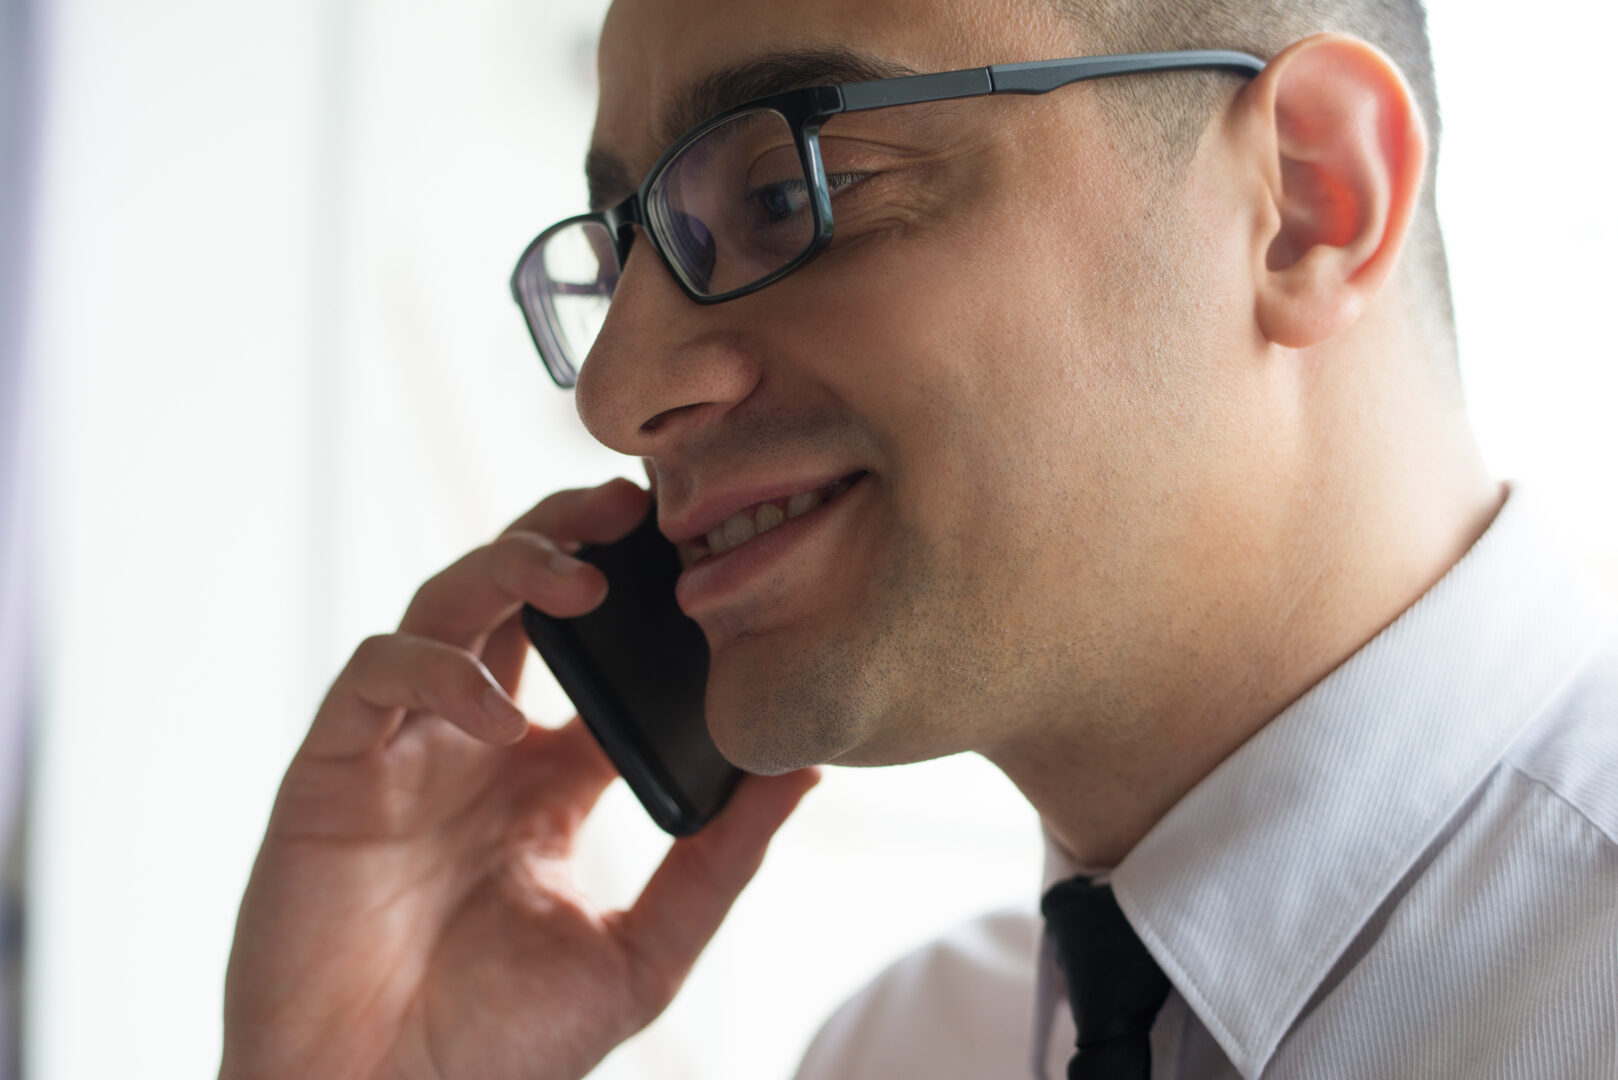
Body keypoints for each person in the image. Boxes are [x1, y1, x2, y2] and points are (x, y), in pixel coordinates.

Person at [218, 0, 1618, 1077]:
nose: (616, 396)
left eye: (778, 194)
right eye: (627, 243)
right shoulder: (903, 1047)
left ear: (1307, 201)